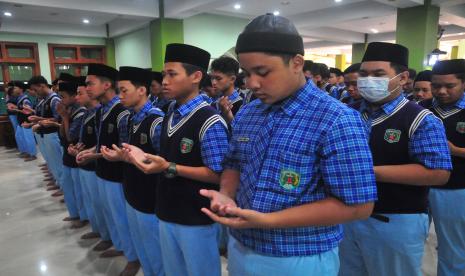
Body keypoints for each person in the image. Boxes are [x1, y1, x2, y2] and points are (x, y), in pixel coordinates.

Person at [199, 14, 377, 276]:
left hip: (298, 257)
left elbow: (358, 206)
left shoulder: (336, 119)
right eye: (246, 74)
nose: (252, 83)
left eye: (263, 72)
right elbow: (235, 163)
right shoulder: (249, 113)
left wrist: (268, 221)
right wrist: (226, 194)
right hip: (242, 246)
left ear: (296, 63)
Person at [338, 42, 452, 276]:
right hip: (345, 216)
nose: (369, 80)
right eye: (364, 74)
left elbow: (438, 173)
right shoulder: (347, 113)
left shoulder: (421, 119)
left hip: (395, 221)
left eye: (379, 75)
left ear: (402, 78)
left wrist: (369, 171)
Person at [124, 43, 229, 276]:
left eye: (172, 74)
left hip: (194, 217)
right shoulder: (171, 112)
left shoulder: (209, 121)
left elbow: (218, 174)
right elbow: (166, 157)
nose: (165, 81)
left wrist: (170, 167)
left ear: (196, 77)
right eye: (164, 75)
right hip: (166, 209)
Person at [100, 66, 165, 276]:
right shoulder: (130, 118)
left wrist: (135, 159)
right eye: (119, 91)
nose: (120, 96)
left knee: (155, 248)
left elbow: (163, 163)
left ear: (142, 90)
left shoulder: (156, 121)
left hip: (149, 196)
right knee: (141, 244)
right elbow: (130, 152)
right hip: (132, 190)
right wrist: (121, 156)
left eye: (124, 90)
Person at [76, 63, 139, 276]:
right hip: (102, 170)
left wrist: (94, 154)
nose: (87, 88)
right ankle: (118, 245)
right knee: (110, 213)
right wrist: (92, 151)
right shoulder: (103, 110)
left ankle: (132, 257)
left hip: (117, 176)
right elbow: (104, 142)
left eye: (90, 84)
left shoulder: (121, 111)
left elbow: (123, 148)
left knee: (121, 216)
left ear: (106, 85)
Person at [419, 59, 465, 276]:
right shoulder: (421, 110)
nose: (442, 91)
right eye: (436, 86)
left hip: (455, 189)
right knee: (411, 242)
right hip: (419, 186)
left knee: (452, 247)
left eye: (450, 86)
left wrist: (455, 150)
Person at [210, 56, 243, 123]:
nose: (213, 82)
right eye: (212, 78)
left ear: (232, 79)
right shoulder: (214, 102)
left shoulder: (241, 105)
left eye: (218, 78)